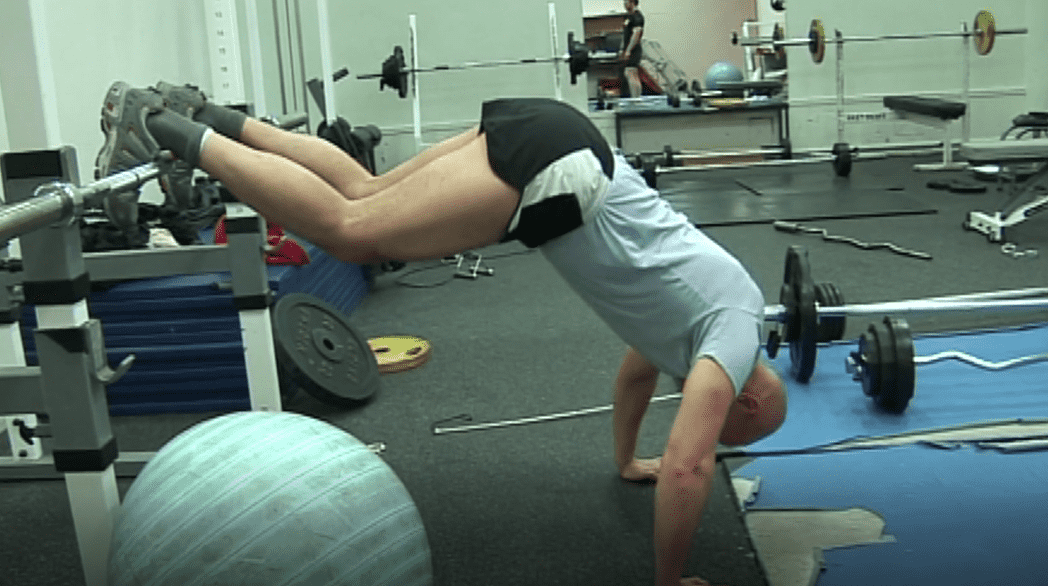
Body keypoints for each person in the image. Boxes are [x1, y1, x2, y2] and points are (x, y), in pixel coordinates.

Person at [95, 81, 787, 586]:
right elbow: (692, 465)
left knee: (364, 193)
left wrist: (626, 462)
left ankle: (205, 114)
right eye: (732, 429)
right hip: (562, 176)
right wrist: (670, 580)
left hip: (559, 132)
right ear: (748, 401)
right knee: (351, 234)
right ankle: (161, 128)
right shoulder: (732, 336)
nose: (711, 424)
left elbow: (636, 375)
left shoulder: (696, 328)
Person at [620, 0, 645, 98]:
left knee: (630, 73)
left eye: (626, 2)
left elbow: (636, 34)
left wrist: (629, 50)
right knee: (632, 74)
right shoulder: (628, 17)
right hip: (629, 49)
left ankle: (636, 99)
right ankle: (637, 98)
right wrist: (622, 49)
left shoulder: (637, 17)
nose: (624, 4)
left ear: (632, 2)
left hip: (634, 49)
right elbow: (625, 35)